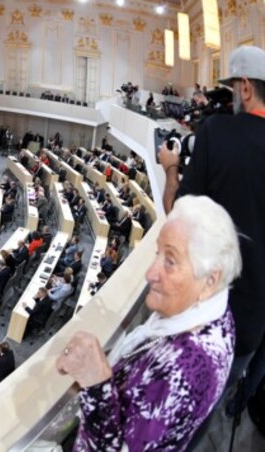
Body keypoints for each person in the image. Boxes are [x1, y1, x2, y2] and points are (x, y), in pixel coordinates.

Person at [56, 195, 241, 450]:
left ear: (210, 281)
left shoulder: (183, 371)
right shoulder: (210, 308)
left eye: (170, 261)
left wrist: (96, 381)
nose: (150, 273)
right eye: (158, 254)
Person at [159, 46, 265, 416]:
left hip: (206, 315)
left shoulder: (216, 131)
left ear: (246, 88)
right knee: (211, 409)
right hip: (254, 323)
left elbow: (177, 215)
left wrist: (171, 168)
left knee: (180, 415)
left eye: (233, 88)